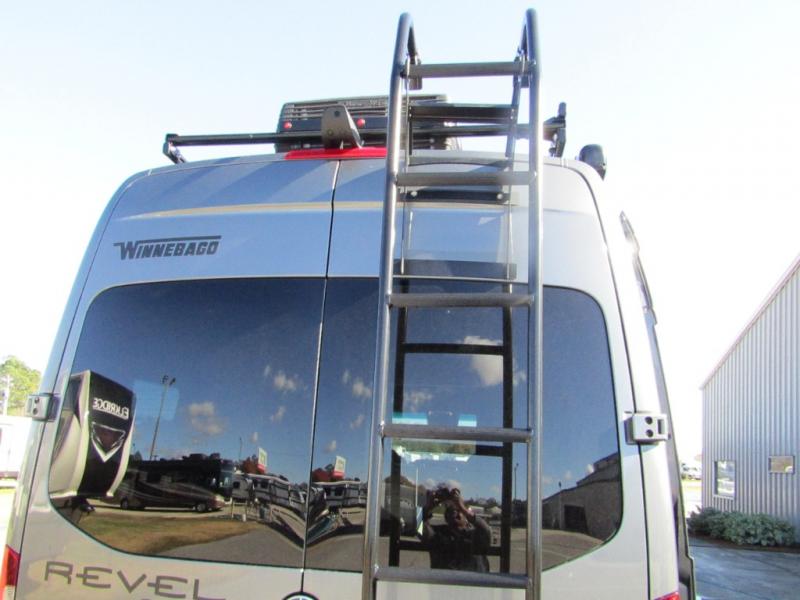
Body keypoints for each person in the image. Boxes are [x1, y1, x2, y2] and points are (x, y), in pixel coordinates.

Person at [420, 485, 491, 572]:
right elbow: (418, 527)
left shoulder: (475, 536)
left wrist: (463, 507)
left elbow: (486, 530)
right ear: (446, 517)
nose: (457, 514)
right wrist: (428, 506)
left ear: (465, 517)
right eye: (452, 511)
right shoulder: (438, 535)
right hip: (445, 579)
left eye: (459, 511)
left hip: (474, 579)